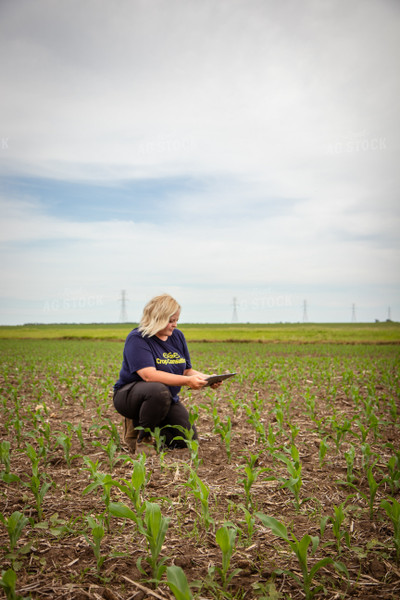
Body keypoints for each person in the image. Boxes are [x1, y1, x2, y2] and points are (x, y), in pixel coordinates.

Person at [113, 293, 215, 454]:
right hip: (131, 397)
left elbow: (186, 370)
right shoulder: (138, 338)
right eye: (170, 320)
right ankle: (142, 437)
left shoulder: (177, 337)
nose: (174, 325)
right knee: (157, 390)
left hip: (166, 399)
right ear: (157, 318)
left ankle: (154, 426)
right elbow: (149, 375)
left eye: (176, 320)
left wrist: (207, 378)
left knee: (186, 440)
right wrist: (187, 382)